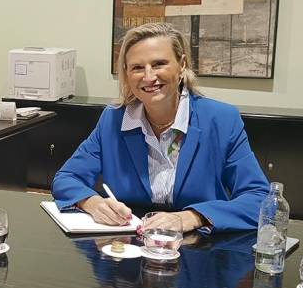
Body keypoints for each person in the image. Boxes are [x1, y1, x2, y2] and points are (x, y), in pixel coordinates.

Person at [52, 22, 268, 233]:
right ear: (127, 74)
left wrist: (191, 217)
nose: (148, 76)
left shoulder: (221, 120)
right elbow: (66, 178)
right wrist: (92, 202)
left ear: (181, 65)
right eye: (137, 67)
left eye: (158, 64)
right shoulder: (113, 120)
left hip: (199, 252)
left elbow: (259, 198)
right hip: (128, 250)